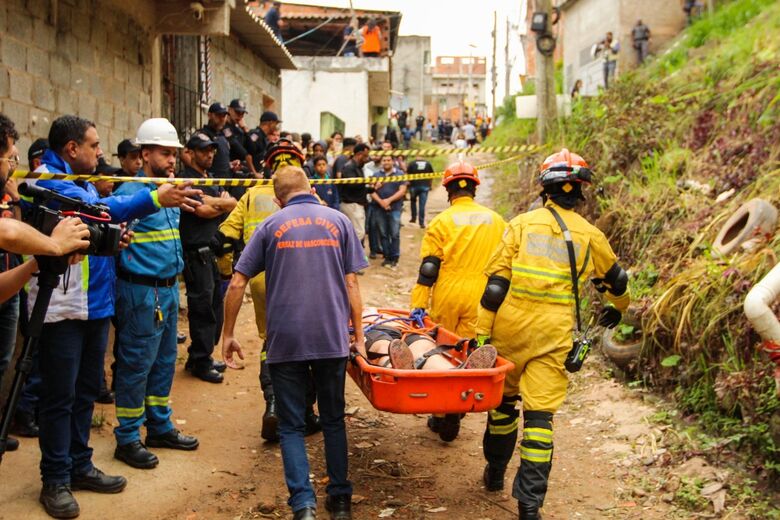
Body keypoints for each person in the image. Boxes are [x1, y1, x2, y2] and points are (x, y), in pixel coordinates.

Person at [27, 115, 201, 519]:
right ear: (73, 149)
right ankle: (55, 478)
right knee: (60, 397)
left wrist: (112, 239)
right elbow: (98, 210)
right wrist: (154, 199)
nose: (101, 152)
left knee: (86, 389)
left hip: (93, 303)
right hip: (62, 307)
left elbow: (95, 225)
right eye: (95, 145)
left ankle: (79, 464)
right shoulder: (47, 180)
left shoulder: (82, 181)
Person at [476, 149, 630, 519]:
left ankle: (495, 472)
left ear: (544, 189)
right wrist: (619, 307)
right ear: (580, 193)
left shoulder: (521, 224)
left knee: (503, 406)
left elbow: (496, 286)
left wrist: (482, 335)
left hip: (510, 328)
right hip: (553, 334)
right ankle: (529, 506)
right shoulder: (590, 235)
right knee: (540, 419)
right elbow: (616, 281)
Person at [222, 166, 368, 520]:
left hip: (284, 340)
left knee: (290, 426)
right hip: (331, 338)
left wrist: (227, 335)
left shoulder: (270, 226)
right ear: (313, 189)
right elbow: (352, 285)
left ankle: (303, 505)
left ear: (277, 200)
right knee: (333, 419)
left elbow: (238, 282)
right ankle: (341, 500)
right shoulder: (339, 222)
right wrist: (360, 338)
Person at [112, 119, 204, 471]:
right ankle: (128, 437)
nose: (171, 160)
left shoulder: (168, 191)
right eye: (165, 153)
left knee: (164, 362)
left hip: (165, 292)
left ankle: (160, 426)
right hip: (140, 292)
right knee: (136, 365)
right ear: (145, 153)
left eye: (174, 154)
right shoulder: (129, 194)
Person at [217, 141, 321, 442]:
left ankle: (273, 404)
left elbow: (224, 237)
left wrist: (226, 270)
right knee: (308, 341)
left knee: (271, 341)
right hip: (301, 276)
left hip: (260, 278)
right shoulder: (306, 194)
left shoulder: (251, 195)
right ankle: (305, 411)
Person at [409, 161, 506, 441]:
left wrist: (418, 303)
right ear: (474, 188)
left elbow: (429, 268)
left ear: (448, 190)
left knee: (442, 351)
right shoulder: (496, 220)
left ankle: (441, 413)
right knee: (466, 351)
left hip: (448, 292)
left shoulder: (441, 221)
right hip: (481, 295)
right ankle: (458, 406)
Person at [179, 133, 238, 384]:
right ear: (190, 153)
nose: (209, 154)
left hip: (211, 252)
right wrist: (220, 205)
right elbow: (201, 210)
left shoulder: (210, 179)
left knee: (215, 308)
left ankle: (199, 355)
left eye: (212, 150)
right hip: (195, 253)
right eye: (203, 150)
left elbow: (233, 203)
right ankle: (201, 361)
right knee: (203, 310)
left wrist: (219, 205)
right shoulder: (185, 179)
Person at [361, 310, 497, 371]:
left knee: (425, 349)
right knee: (384, 348)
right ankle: (398, 370)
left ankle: (457, 372)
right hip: (369, 328)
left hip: (404, 328)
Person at [369, 155, 407, 270]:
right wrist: (381, 202)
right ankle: (387, 256)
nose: (386, 162)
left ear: (393, 161)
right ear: (381, 162)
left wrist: (388, 200)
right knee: (383, 234)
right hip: (379, 208)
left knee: (394, 234)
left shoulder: (400, 174)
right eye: (384, 160)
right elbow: (371, 191)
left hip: (395, 208)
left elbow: (402, 190)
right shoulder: (376, 175)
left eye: (388, 160)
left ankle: (394, 257)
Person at [338, 143, 371, 251]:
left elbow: (360, 187)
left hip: (356, 204)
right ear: (359, 154)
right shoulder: (349, 167)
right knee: (358, 233)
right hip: (351, 204)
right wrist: (367, 183)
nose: (367, 159)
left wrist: (372, 188)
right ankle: (350, 259)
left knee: (356, 233)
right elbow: (352, 185)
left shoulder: (358, 167)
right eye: (365, 156)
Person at [249, 110, 282, 175]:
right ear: (270, 123)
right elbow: (248, 155)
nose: (276, 126)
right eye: (275, 124)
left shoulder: (263, 137)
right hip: (253, 177)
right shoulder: (255, 135)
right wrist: (254, 173)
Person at [406, 155, 434, 228]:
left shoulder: (412, 163)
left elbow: (407, 174)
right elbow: (431, 175)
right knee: (422, 205)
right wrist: (430, 185)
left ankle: (413, 218)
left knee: (413, 202)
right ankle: (421, 222)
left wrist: (408, 184)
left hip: (413, 186)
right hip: (425, 187)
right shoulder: (428, 163)